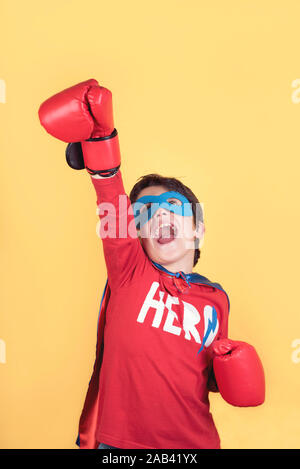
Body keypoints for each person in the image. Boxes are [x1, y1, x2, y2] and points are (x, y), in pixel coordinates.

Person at [38, 79, 265, 450]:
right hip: (120, 446)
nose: (159, 216)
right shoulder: (130, 273)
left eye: (172, 207)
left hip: (195, 445)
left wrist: (229, 373)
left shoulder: (215, 299)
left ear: (198, 230)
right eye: (144, 213)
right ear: (135, 235)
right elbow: (111, 200)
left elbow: (201, 373)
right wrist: (100, 140)